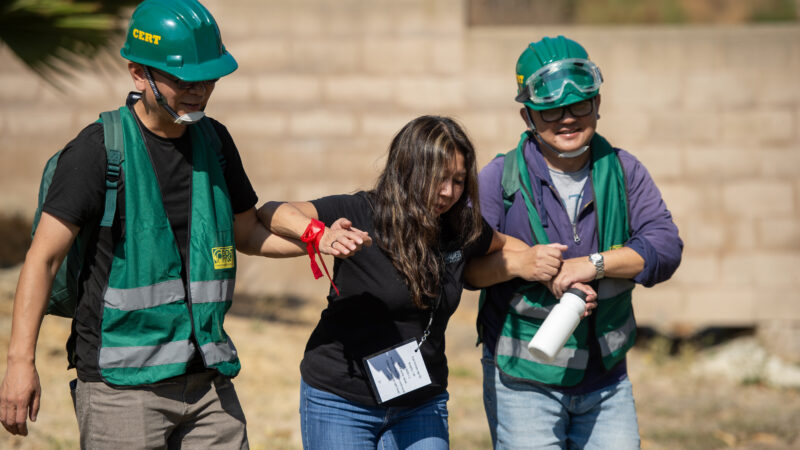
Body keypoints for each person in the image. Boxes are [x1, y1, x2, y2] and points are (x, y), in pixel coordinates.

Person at [0, 1, 367, 448]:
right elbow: (43, 258)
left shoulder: (215, 141)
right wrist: (21, 362)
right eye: (182, 80)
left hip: (208, 385)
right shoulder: (97, 151)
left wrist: (319, 243)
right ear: (138, 74)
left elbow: (246, 232)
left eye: (207, 79)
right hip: (122, 388)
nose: (198, 91)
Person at [258, 115, 596, 449]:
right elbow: (272, 211)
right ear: (409, 168)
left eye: (459, 180)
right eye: (438, 178)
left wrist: (551, 275)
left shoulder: (460, 225)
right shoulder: (360, 212)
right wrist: (319, 235)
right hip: (341, 401)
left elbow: (507, 245)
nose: (448, 192)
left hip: (421, 402)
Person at [466, 36, 683, 449]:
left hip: (606, 379)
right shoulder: (500, 179)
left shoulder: (623, 171)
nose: (566, 119)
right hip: (523, 379)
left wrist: (591, 265)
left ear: (598, 104)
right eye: (550, 109)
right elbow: (467, 269)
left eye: (579, 105)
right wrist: (521, 264)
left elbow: (665, 247)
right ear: (528, 115)